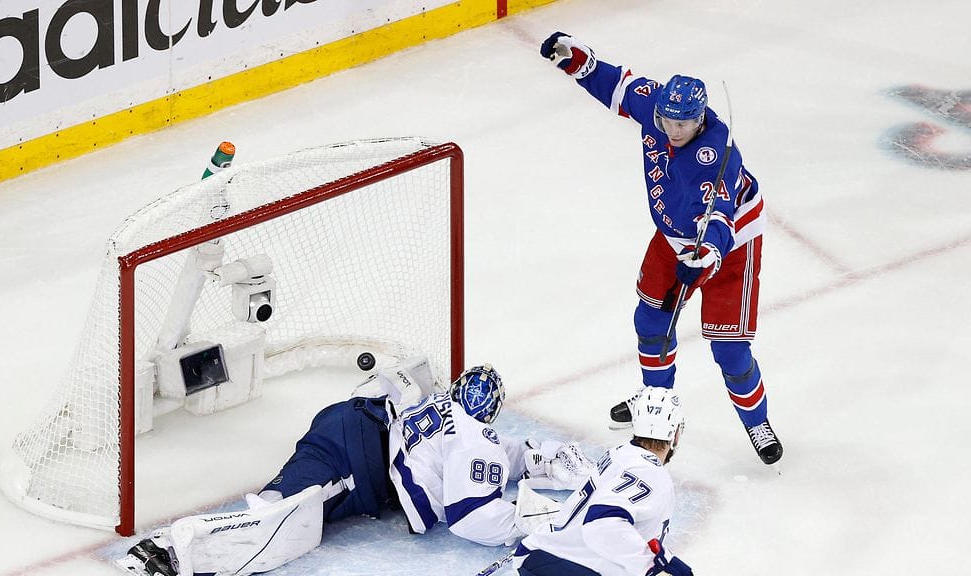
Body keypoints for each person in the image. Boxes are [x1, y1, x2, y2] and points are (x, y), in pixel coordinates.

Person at [539, 32, 783, 466]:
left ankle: (756, 422)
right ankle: (656, 405)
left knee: (729, 349)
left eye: (682, 125)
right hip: (672, 235)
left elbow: (720, 216)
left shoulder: (717, 154)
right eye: (668, 122)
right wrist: (576, 60)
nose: (672, 130)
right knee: (650, 321)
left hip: (731, 247)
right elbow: (617, 85)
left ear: (700, 118)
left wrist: (706, 256)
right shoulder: (660, 108)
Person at [119, 356, 594, 576]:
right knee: (282, 517)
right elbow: (471, 515)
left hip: (354, 422)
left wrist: (537, 460)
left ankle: (173, 551)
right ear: (491, 410)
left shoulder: (447, 411)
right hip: (356, 462)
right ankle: (169, 550)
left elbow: (492, 455)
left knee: (282, 504)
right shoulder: (477, 438)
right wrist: (533, 520)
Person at [513, 386, 693, 576]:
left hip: (541, 555)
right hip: (565, 564)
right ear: (675, 435)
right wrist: (650, 565)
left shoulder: (620, 453)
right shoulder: (652, 473)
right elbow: (601, 522)